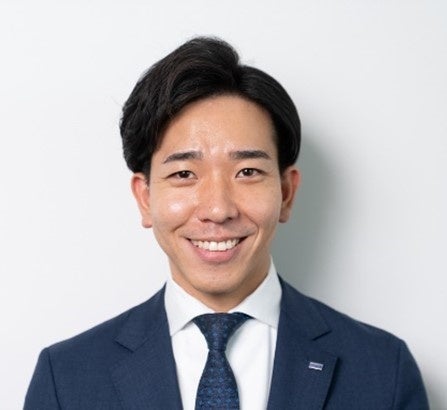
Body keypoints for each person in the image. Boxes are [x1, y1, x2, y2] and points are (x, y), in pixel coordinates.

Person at [25, 37, 428, 409]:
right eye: (184, 174)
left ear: (287, 192)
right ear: (145, 198)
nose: (218, 210)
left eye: (247, 172)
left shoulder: (382, 371)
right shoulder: (67, 378)